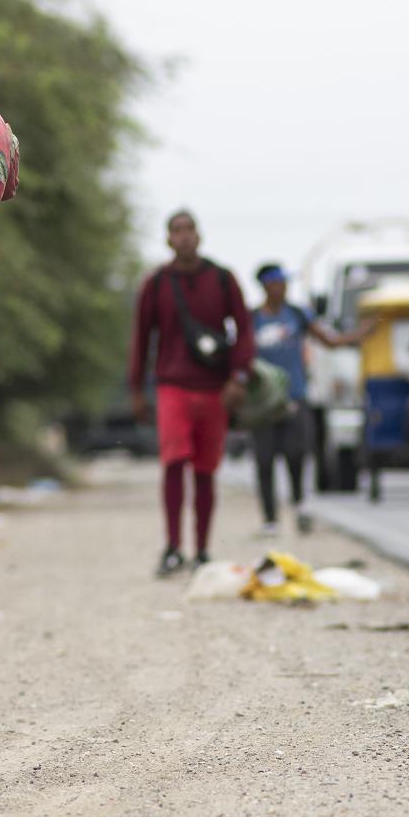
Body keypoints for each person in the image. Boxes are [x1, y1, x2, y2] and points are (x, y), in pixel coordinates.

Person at [129, 211, 255, 576]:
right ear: (169, 240)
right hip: (172, 387)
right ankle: (172, 547)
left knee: (205, 469)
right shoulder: (156, 284)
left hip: (215, 389)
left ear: (200, 236)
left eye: (189, 231)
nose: (184, 237)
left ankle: (201, 549)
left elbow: (244, 331)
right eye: (177, 232)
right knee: (173, 463)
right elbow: (141, 338)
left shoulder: (223, 279)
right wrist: (136, 388)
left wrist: (239, 377)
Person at [249, 263, 365, 536]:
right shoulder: (251, 319)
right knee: (264, 459)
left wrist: (361, 334)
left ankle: (299, 506)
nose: (284, 287)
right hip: (263, 403)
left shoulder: (298, 314)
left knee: (296, 454)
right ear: (266, 286)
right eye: (278, 283)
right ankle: (269, 519)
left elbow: (328, 340)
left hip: (295, 396)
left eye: (285, 283)